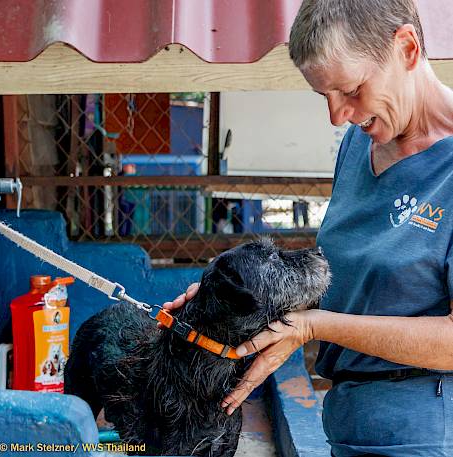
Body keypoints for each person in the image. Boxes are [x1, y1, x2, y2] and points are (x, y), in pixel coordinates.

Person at [164, 1, 453, 455]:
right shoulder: (358, 145)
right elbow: (349, 282)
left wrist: (315, 327)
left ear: (407, 48)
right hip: (348, 421)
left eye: (352, 89)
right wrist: (228, 296)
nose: (338, 117)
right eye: (325, 97)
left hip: (425, 429)